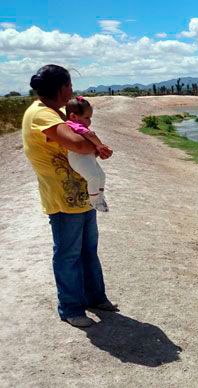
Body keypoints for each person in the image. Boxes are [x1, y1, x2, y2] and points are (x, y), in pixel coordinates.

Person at [22, 64, 118, 328]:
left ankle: (95, 297)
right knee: (68, 255)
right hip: (63, 201)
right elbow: (77, 143)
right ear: (64, 88)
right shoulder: (42, 114)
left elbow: (82, 139)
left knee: (88, 251)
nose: (72, 91)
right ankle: (71, 308)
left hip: (81, 197)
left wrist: (93, 146)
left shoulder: (57, 112)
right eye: (71, 86)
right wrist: (95, 146)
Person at [65, 96, 111, 212]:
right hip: (79, 157)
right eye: (86, 118)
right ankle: (94, 201)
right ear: (73, 116)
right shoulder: (73, 124)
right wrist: (101, 146)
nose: (89, 121)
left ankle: (99, 197)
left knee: (101, 176)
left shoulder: (76, 125)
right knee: (94, 177)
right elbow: (90, 135)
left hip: (87, 157)